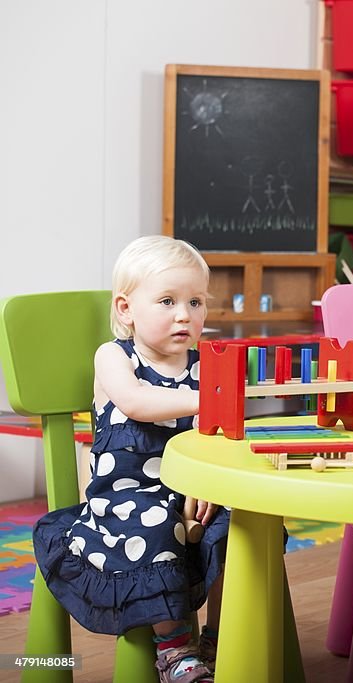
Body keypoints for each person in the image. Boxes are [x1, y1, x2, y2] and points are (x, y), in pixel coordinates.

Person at [34, 235, 226, 683]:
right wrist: (211, 399)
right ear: (126, 310)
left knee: (241, 525)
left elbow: (217, 441)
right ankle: (175, 648)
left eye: (196, 302)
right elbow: (136, 403)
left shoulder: (206, 366)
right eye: (167, 301)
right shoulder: (116, 358)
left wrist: (209, 484)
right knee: (155, 525)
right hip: (125, 501)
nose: (185, 314)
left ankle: (221, 635)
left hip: (194, 491)